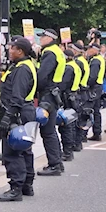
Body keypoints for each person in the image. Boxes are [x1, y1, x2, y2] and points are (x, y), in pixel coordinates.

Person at [0, 38, 37, 201]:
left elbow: (17, 97)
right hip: (26, 111)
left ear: (20, 51)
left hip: (17, 113)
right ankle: (27, 185)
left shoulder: (21, 69)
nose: (9, 51)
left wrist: (7, 117)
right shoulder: (27, 65)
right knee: (25, 149)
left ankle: (16, 188)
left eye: (12, 48)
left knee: (13, 151)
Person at [36, 29, 67, 176]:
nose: (40, 39)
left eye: (42, 37)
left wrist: (34, 89)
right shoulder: (58, 51)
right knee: (50, 131)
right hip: (54, 92)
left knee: (47, 131)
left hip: (48, 94)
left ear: (49, 38)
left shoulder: (49, 53)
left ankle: (54, 164)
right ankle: (57, 162)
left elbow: (42, 76)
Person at [58, 48, 82, 162]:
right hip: (74, 95)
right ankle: (72, 148)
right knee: (72, 124)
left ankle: (67, 152)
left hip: (68, 97)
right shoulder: (76, 65)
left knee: (66, 125)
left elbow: (63, 84)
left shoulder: (68, 68)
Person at [85, 43, 106, 141]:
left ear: (94, 50)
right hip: (98, 87)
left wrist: (86, 85)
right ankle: (97, 132)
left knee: (88, 110)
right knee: (96, 111)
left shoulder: (95, 61)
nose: (87, 51)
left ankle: (84, 133)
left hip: (93, 88)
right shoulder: (100, 59)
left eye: (89, 49)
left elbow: (92, 77)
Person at [73, 43, 90, 151]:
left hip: (79, 92)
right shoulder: (83, 61)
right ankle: (78, 142)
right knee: (81, 119)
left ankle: (77, 143)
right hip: (83, 91)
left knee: (76, 121)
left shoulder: (78, 62)